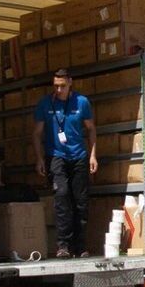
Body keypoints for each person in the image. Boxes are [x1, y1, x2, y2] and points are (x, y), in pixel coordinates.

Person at [33, 68, 98, 258]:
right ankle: (63, 246)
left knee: (80, 202)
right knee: (61, 197)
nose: (59, 90)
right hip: (56, 156)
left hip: (78, 156)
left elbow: (91, 129)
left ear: (70, 82)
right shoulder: (45, 104)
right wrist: (39, 158)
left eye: (62, 86)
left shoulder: (82, 102)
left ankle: (81, 246)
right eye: (56, 86)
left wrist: (93, 155)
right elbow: (37, 134)